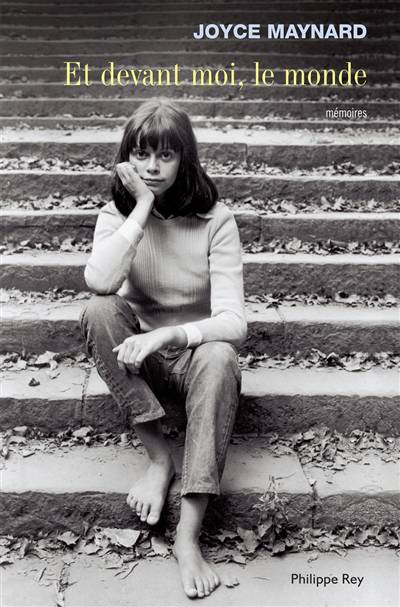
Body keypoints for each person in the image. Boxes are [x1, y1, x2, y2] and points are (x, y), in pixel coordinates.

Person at [80, 99, 247, 599]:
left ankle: (188, 538)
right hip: (139, 358)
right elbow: (99, 282)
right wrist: (141, 210)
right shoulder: (116, 215)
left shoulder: (217, 220)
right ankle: (158, 460)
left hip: (193, 356)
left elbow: (233, 323)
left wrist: (168, 335)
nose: (152, 167)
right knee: (99, 310)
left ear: (184, 159)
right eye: (142, 154)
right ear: (127, 159)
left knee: (221, 355)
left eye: (166, 155)